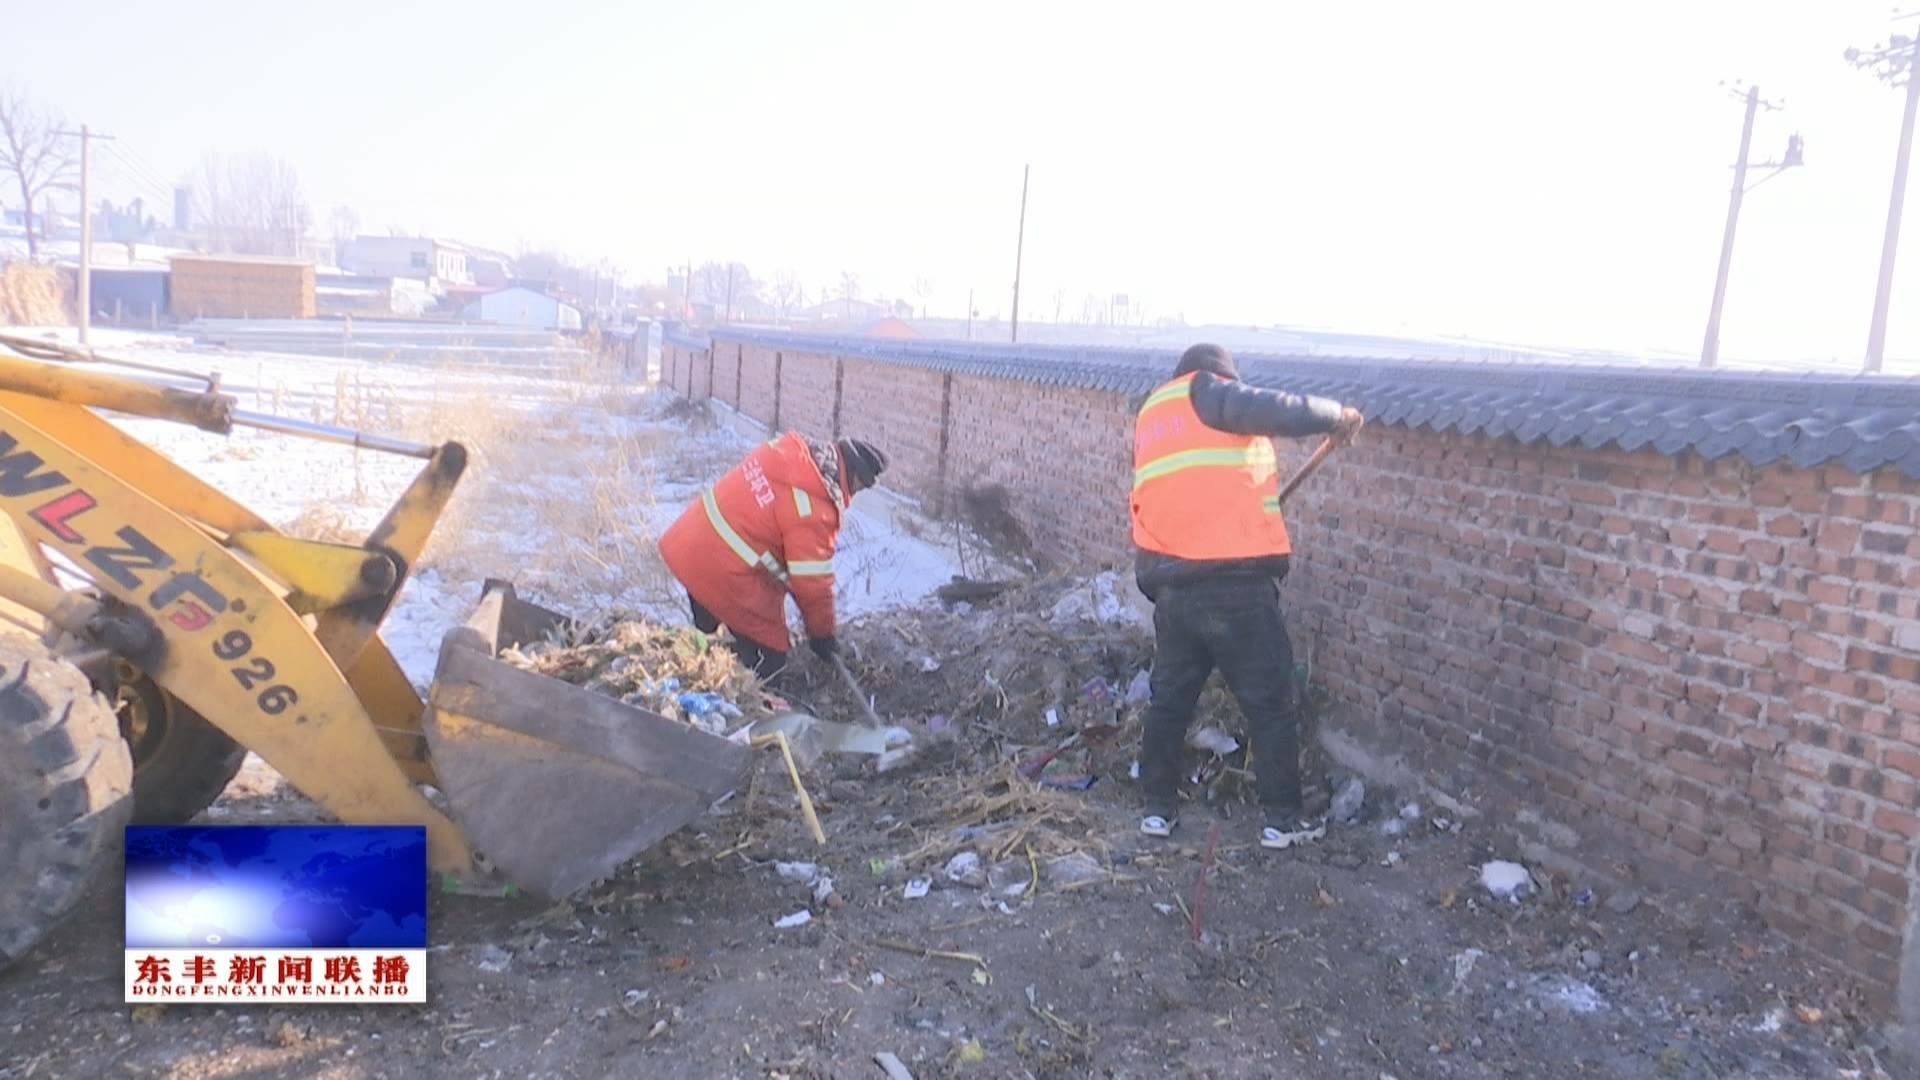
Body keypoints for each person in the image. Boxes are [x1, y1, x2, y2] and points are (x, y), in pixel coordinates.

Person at [1131, 343, 1362, 850]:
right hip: (1236, 592)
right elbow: (1275, 409)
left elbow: (1174, 499)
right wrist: (1335, 415)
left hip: (1174, 589)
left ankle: (1156, 810)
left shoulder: (1153, 415)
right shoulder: (1208, 392)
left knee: (1168, 703)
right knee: (1271, 704)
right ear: (1216, 376)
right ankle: (1282, 819)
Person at [658, 432, 889, 680]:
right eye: (859, 488)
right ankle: (743, 708)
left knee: (706, 642)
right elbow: (813, 585)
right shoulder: (814, 508)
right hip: (723, 572)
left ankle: (696, 687)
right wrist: (823, 637)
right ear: (854, 479)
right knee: (770, 659)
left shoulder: (786, 453)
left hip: (690, 547)